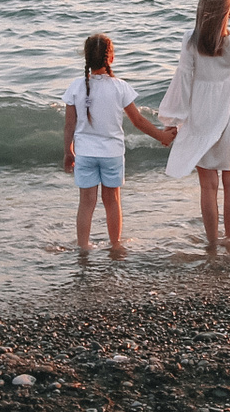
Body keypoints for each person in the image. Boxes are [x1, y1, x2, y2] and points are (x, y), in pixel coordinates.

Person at [161, 0, 230, 247]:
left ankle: (211, 243)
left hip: (201, 120)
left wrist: (174, 119)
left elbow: (183, 80)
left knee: (208, 187)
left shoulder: (191, 40)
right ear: (227, 11)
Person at [62, 33, 176, 251]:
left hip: (85, 153)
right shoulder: (119, 86)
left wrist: (69, 151)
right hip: (112, 154)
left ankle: (83, 247)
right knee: (112, 201)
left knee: (86, 203)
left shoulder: (76, 86)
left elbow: (69, 125)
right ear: (111, 58)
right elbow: (138, 121)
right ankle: (115, 245)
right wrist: (161, 136)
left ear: (86, 58)